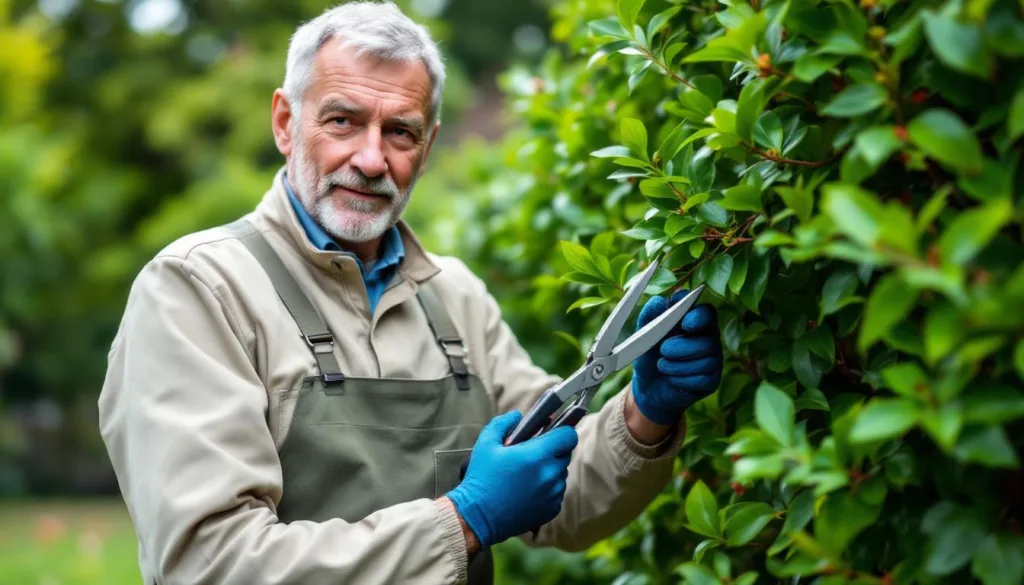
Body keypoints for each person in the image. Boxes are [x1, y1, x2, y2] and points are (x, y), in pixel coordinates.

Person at [96, 2, 723, 584]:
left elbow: (566, 501)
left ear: (426, 149)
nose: (372, 159)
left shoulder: (454, 297)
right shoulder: (197, 292)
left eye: (400, 131)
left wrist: (646, 413)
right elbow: (212, 563)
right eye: (342, 121)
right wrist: (465, 520)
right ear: (287, 123)